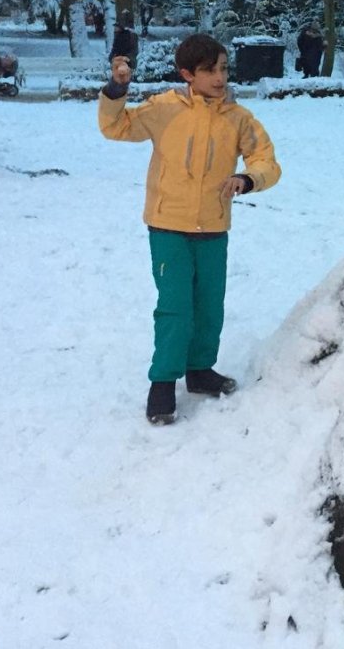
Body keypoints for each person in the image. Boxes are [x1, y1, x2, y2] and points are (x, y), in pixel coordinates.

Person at [98, 33, 282, 424]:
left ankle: (199, 370)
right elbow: (116, 127)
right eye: (209, 70)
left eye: (224, 69)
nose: (220, 78)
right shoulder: (164, 108)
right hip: (168, 226)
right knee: (175, 307)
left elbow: (266, 160)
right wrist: (117, 88)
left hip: (213, 227)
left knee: (209, 305)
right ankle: (163, 382)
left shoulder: (238, 118)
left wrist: (248, 178)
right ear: (187, 74)